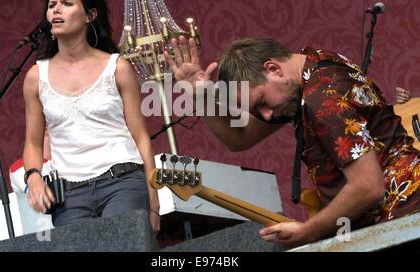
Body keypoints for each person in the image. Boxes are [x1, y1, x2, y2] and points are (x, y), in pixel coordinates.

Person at [164, 36, 420, 248]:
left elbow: (367, 186)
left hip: (402, 217)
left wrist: (308, 231)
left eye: (262, 102)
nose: (265, 116)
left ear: (273, 69)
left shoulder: (321, 98)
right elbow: (239, 138)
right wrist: (204, 98)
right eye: (255, 111)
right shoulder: (314, 64)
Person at [22, 0, 160, 233]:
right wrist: (33, 178)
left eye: (66, 3)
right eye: (52, 5)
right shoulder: (35, 77)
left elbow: (141, 137)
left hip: (122, 180)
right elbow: (32, 143)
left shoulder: (117, 67)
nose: (56, 10)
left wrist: (154, 203)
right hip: (69, 198)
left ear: (90, 15)